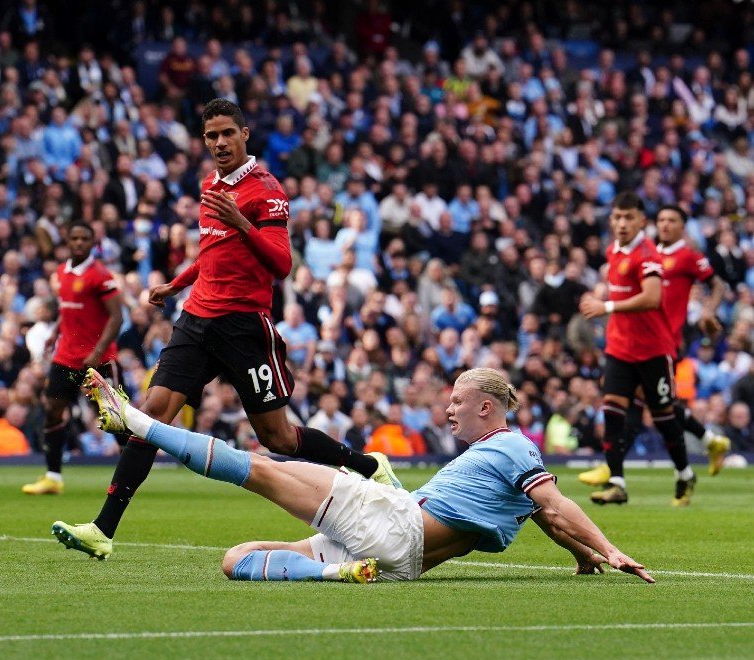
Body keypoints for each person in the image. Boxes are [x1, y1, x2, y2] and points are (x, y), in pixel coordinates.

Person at [66, 99, 401, 560]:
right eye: (211, 136)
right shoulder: (210, 185)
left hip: (245, 327)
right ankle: (103, 530)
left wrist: (242, 222)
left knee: (277, 439)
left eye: (227, 133)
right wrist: (176, 284)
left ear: (245, 134)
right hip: (198, 318)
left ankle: (367, 464)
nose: (219, 143)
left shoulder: (267, 190)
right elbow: (210, 254)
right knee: (151, 415)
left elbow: (282, 264)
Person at [53, 367, 655, 585]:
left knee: (261, 468)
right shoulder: (511, 462)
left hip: (396, 525)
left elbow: (556, 504)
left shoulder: (513, 447)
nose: (448, 410)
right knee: (235, 559)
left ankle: (132, 417)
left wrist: (609, 546)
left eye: (457, 401)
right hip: (396, 559)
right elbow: (543, 514)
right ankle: (336, 573)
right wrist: (582, 560)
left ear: (488, 408)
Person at [578, 204, 731, 490]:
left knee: (648, 406)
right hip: (634, 341)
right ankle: (705, 446)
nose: (665, 225)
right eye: (661, 219)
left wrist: (709, 311)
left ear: (682, 226)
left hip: (664, 340)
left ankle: (616, 468)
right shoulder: (644, 251)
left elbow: (717, 285)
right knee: (647, 404)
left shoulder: (687, 256)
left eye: (672, 220)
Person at [578, 193, 692, 506]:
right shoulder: (613, 250)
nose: (622, 223)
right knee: (612, 409)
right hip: (619, 347)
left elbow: (653, 297)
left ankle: (684, 473)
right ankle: (617, 482)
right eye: (617, 217)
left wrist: (606, 305)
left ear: (642, 221)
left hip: (653, 348)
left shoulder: (649, 254)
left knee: (663, 416)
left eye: (628, 217)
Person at [21, 222, 124, 495]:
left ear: (92, 243)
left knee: (116, 418)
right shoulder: (61, 272)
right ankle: (53, 477)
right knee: (53, 410)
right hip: (66, 357)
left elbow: (117, 317)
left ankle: (131, 474)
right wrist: (55, 333)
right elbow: (68, 312)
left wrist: (98, 352)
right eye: (74, 238)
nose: (79, 243)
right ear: (67, 241)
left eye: (84, 239)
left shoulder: (100, 275)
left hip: (98, 359)